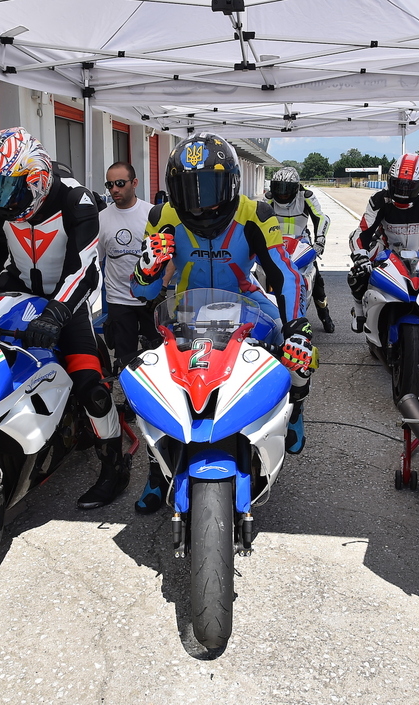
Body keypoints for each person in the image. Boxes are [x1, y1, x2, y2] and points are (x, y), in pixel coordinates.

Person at [0, 127, 127, 510]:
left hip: (66, 302)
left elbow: (84, 270)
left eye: (5, 187)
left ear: (35, 180)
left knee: (92, 388)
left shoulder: (76, 199)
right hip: (16, 289)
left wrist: (55, 313)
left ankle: (114, 463)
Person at [130, 132, 313, 513]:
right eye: (189, 189)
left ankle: (296, 406)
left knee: (297, 351)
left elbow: (284, 274)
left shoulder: (256, 213)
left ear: (231, 182)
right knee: (155, 383)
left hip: (247, 305)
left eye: (210, 187)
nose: (200, 201)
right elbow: (143, 291)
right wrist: (146, 268)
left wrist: (297, 326)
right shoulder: (162, 216)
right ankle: (155, 471)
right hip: (185, 309)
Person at [348, 153, 419, 333]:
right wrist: (361, 255)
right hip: (386, 252)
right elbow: (362, 232)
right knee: (357, 273)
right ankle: (359, 312)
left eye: (409, 187)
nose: (402, 191)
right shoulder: (379, 199)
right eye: (398, 184)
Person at [97, 162, 159, 372]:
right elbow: (95, 259)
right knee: (125, 360)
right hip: (119, 300)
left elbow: (169, 257)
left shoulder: (152, 214)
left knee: (158, 356)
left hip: (151, 299)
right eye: (110, 185)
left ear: (134, 183)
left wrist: (162, 287)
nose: (114, 189)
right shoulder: (102, 218)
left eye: (120, 183)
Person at [262, 166, 336, 333]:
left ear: (295, 188)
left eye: (286, 189)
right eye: (279, 188)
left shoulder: (306, 196)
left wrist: (320, 240)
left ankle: (325, 316)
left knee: (317, 281)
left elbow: (321, 218)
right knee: (259, 274)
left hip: (301, 243)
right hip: (274, 243)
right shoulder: (268, 198)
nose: (282, 194)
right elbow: (257, 218)